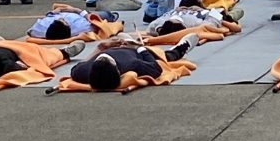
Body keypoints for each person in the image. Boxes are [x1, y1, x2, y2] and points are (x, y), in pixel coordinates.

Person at [67, 33, 199, 92]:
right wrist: (138, 47)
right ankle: (180, 48)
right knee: (164, 57)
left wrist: (100, 48)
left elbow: (79, 65)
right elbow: (156, 68)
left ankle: (128, 40)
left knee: (123, 36)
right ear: (118, 71)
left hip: (114, 48)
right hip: (136, 52)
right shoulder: (133, 65)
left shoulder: (83, 72)